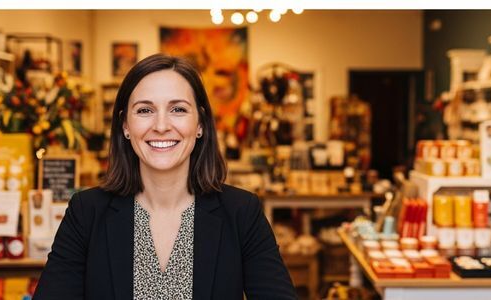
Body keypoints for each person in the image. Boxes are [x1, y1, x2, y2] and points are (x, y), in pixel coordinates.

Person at [34, 54, 297, 299]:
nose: (161, 126)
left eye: (178, 109)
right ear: (125, 125)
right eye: (145, 110)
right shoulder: (86, 212)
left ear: (200, 124)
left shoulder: (242, 213)